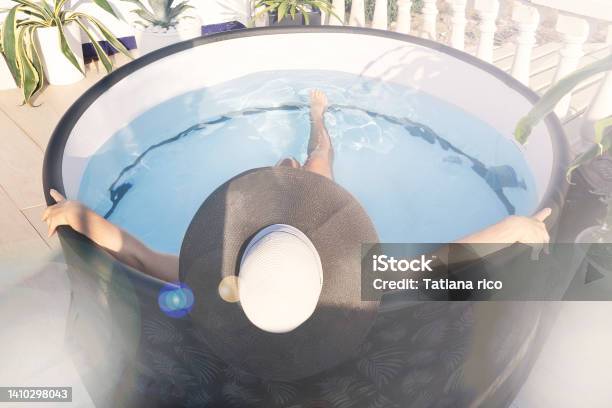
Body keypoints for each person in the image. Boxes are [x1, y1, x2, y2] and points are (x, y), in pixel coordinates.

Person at [43, 90, 551, 283]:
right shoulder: (352, 275)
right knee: (321, 157)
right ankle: (316, 118)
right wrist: (513, 227)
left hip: (286, 232)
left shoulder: (215, 270)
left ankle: (308, 129)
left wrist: (80, 217)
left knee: (313, 165)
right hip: (311, 221)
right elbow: (443, 260)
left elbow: (138, 256)